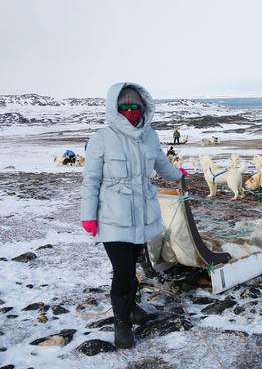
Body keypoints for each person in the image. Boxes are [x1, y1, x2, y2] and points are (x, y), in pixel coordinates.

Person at [80, 82, 187, 349]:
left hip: (141, 214)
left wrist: (178, 175)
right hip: (112, 216)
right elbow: (91, 180)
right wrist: (88, 215)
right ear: (114, 108)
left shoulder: (150, 136)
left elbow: (161, 162)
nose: (130, 110)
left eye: (135, 106)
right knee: (123, 270)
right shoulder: (102, 138)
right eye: (124, 106)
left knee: (133, 266)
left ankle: (131, 306)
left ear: (143, 107)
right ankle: (121, 322)